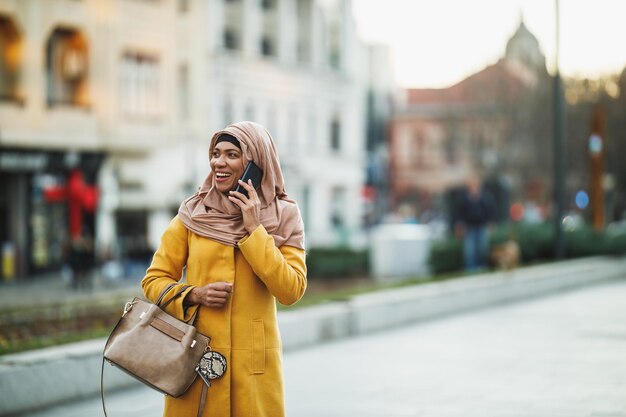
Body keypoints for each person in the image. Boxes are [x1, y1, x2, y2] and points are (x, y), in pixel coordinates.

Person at [141, 121, 307, 417]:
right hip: (196, 363)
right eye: (216, 153)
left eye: (232, 154)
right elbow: (154, 280)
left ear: (255, 163)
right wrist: (194, 295)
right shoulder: (192, 215)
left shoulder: (285, 217)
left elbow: (291, 290)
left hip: (253, 372)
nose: (219, 162)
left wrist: (254, 229)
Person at [454, 173, 497, 272]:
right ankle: (471, 270)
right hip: (469, 227)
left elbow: (491, 210)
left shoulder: (485, 196)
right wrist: (459, 225)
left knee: (482, 248)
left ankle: (482, 267)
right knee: (470, 251)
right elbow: (459, 212)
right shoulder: (464, 197)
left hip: (482, 226)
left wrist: (491, 223)